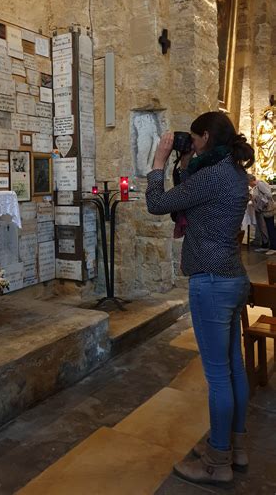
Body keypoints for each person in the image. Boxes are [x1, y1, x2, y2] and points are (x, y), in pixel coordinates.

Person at [146, 112, 255, 488]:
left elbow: (158, 203)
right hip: (232, 277)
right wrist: (186, 164)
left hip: (211, 283)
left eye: (193, 138)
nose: (189, 143)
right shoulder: (233, 172)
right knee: (234, 368)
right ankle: (235, 448)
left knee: (218, 377)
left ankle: (216, 462)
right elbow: (192, 197)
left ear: (206, 137)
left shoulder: (211, 176)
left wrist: (159, 163)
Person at [248, 174, 276, 255]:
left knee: (269, 227)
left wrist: (261, 202)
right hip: (261, 210)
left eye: (248, 182)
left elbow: (269, 195)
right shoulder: (256, 186)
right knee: (263, 228)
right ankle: (265, 245)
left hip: (267, 210)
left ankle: (274, 247)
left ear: (251, 180)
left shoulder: (260, 184)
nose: (248, 184)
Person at [255, 107, 275, 180]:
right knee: (264, 157)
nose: (272, 116)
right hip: (264, 143)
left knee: (271, 157)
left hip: (272, 142)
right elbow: (258, 134)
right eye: (270, 114)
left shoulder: (272, 124)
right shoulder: (262, 123)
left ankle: (270, 171)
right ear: (266, 115)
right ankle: (264, 171)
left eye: (272, 115)